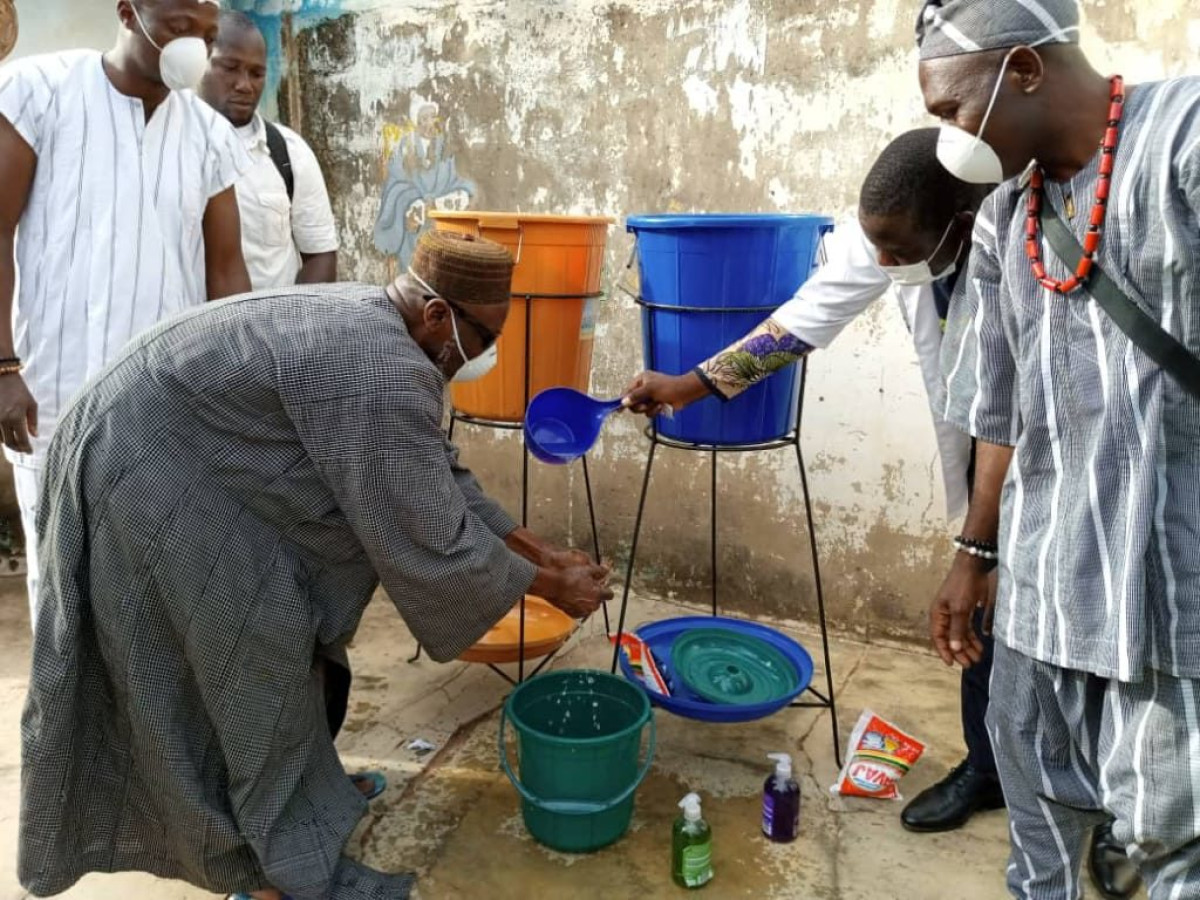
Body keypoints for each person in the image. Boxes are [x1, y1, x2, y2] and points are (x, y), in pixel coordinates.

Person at [18, 230, 612, 900]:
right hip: (145, 467)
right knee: (254, 656)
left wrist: (538, 551)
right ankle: (277, 872)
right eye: (484, 337)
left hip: (174, 446)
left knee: (291, 634)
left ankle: (307, 805)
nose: (485, 355)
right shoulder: (385, 368)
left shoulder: (381, 326)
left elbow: (436, 474)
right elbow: (432, 535)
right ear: (438, 314)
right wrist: (550, 582)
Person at [627, 127, 1005, 827]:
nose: (884, 260)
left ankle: (1111, 809)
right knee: (986, 618)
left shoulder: (1018, 244)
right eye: (876, 247)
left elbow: (1020, 405)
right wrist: (687, 386)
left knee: (1065, 631)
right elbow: (801, 322)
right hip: (981, 450)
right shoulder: (898, 237)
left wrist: (979, 547)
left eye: (897, 251)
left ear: (962, 224)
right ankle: (988, 768)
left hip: (1059, 457)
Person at [919, 0, 1198, 897]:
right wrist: (974, 552)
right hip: (1046, 594)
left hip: (1169, 598)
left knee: (1167, 843)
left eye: (953, 110)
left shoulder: (1183, 142)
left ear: (1025, 71)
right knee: (1041, 824)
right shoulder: (1007, 218)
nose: (949, 138)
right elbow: (998, 410)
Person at [0, 0, 252, 630]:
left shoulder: (209, 135)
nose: (192, 46)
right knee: (63, 600)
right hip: (54, 400)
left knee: (152, 600)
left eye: (205, 34)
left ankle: (143, 726)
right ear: (128, 11)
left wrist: (241, 389)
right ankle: (65, 729)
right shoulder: (40, 91)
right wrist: (3, 365)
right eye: (178, 26)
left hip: (166, 412)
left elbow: (226, 271)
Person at [199, 10, 339, 290]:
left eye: (256, 73)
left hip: (271, 330)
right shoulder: (172, 149)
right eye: (230, 68)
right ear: (200, 61)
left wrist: (292, 327)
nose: (244, 85)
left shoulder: (289, 152)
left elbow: (320, 255)